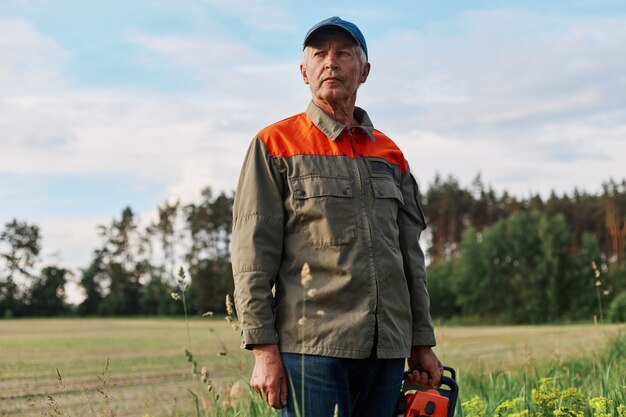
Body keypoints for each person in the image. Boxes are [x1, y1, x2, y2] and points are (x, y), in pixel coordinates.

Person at [231, 16, 442, 417]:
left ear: (364, 71)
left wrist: (421, 342)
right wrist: (262, 348)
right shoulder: (274, 144)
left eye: (344, 53)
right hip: (311, 350)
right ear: (303, 71)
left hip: (387, 350)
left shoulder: (390, 152)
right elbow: (251, 258)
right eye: (319, 54)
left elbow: (410, 258)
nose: (331, 62)